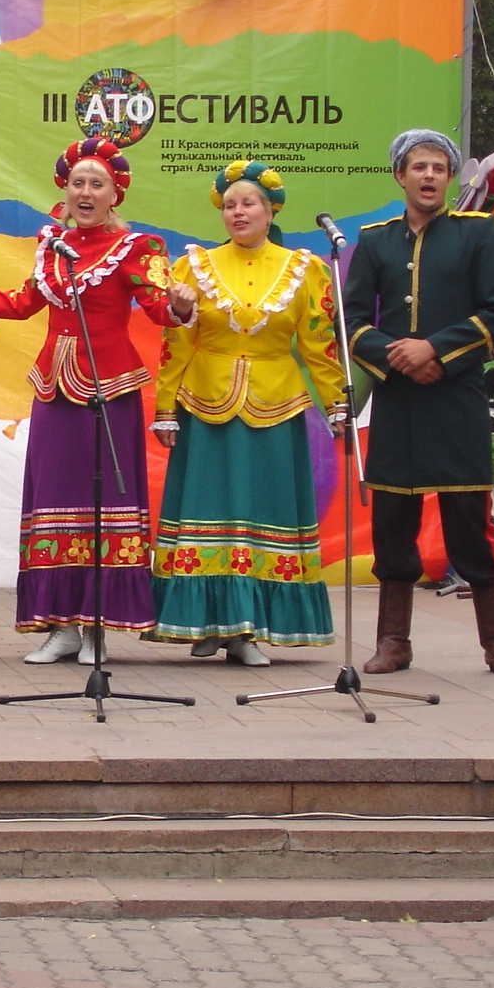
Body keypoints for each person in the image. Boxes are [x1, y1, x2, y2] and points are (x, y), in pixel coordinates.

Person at [0, 137, 193, 663]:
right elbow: (25, 300)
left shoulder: (140, 249)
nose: (86, 192)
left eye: (97, 183)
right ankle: (61, 627)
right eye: (78, 183)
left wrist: (182, 306)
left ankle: (96, 628)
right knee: (52, 499)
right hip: (54, 387)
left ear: (115, 192)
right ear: (65, 190)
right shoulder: (52, 244)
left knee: (105, 504)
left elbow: (160, 307)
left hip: (108, 389)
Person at [344, 128, 494, 677]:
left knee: (469, 522)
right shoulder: (375, 240)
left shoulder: (477, 235)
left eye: (439, 168)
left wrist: (437, 351)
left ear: (451, 178)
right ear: (399, 175)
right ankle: (392, 643)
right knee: (393, 522)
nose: (429, 176)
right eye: (418, 167)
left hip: (457, 398)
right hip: (399, 401)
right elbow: (351, 321)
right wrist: (397, 356)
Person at [147, 162, 345, 666]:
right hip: (206, 405)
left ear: (270, 209)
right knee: (206, 515)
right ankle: (204, 624)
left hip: (275, 407)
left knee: (261, 515)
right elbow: (176, 343)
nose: (239, 211)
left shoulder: (305, 268)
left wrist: (337, 402)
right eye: (231, 203)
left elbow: (319, 346)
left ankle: (248, 629)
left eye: (249, 202)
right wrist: (165, 409)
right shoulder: (193, 267)